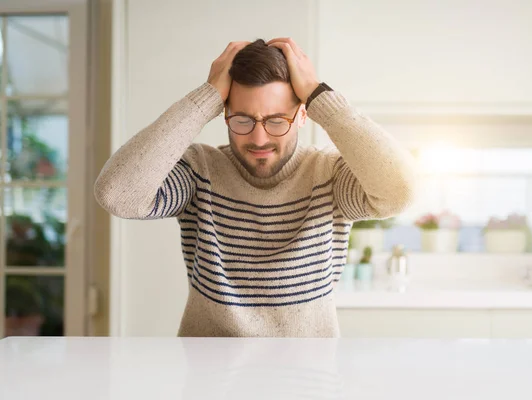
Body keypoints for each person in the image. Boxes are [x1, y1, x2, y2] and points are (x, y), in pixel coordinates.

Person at [95, 38, 416, 337]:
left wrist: (320, 95)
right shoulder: (199, 171)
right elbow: (118, 195)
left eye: (277, 121)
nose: (259, 139)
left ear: (304, 115)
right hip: (211, 380)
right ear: (223, 114)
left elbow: (399, 191)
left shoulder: (329, 175)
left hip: (308, 382)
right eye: (242, 120)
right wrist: (206, 96)